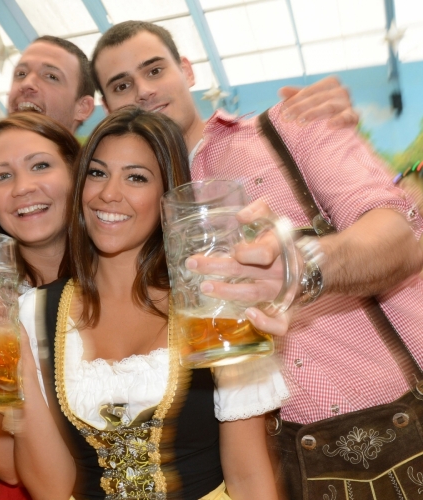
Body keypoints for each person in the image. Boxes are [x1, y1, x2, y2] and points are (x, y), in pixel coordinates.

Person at [90, 20, 423, 497]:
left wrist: (300, 266)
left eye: (154, 69)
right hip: (272, 466)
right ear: (106, 106)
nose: (142, 91)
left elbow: (398, 236)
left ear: (187, 71)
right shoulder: (126, 210)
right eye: (122, 85)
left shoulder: (289, 125)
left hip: (397, 426)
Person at [0, 36, 357, 311]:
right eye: (20, 74)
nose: (27, 85)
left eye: (49, 76)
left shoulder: (108, 208)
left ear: (88, 111)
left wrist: (324, 129)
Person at [11, 107, 290, 499]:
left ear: (168, 198)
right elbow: (52, 487)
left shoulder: (215, 305)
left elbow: (248, 477)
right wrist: (18, 367)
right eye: (97, 172)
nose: (109, 193)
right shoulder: (33, 313)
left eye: (136, 177)